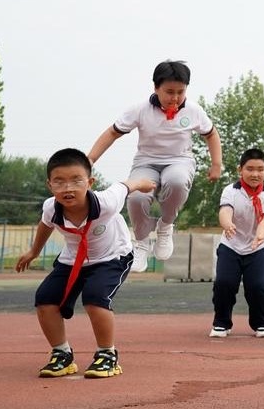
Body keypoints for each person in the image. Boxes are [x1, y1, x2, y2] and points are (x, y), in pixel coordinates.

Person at [15, 148, 155, 378]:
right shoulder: (51, 207)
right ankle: (62, 354)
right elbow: (46, 224)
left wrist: (143, 183)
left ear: (90, 182)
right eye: (59, 182)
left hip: (112, 256)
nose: (68, 188)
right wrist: (33, 251)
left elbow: (125, 185)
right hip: (72, 259)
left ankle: (107, 355)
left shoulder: (106, 202)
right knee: (45, 299)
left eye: (76, 180)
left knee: (95, 298)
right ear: (50, 185)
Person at [88, 60, 223, 272]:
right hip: (146, 162)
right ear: (156, 87)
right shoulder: (140, 110)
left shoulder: (193, 110)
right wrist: (90, 159)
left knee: (176, 181)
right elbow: (113, 132)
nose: (175, 98)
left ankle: (165, 225)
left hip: (179, 160)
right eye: (169, 92)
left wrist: (217, 163)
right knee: (137, 196)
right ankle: (141, 241)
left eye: (181, 92)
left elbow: (211, 134)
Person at [209, 148, 264, 338]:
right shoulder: (230, 190)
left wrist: (259, 236)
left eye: (260, 169)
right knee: (224, 283)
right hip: (231, 245)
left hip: (259, 247)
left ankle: (261, 324)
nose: (255, 174)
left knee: (257, 286)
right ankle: (221, 323)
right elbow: (225, 211)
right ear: (240, 170)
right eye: (250, 169)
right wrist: (227, 224)